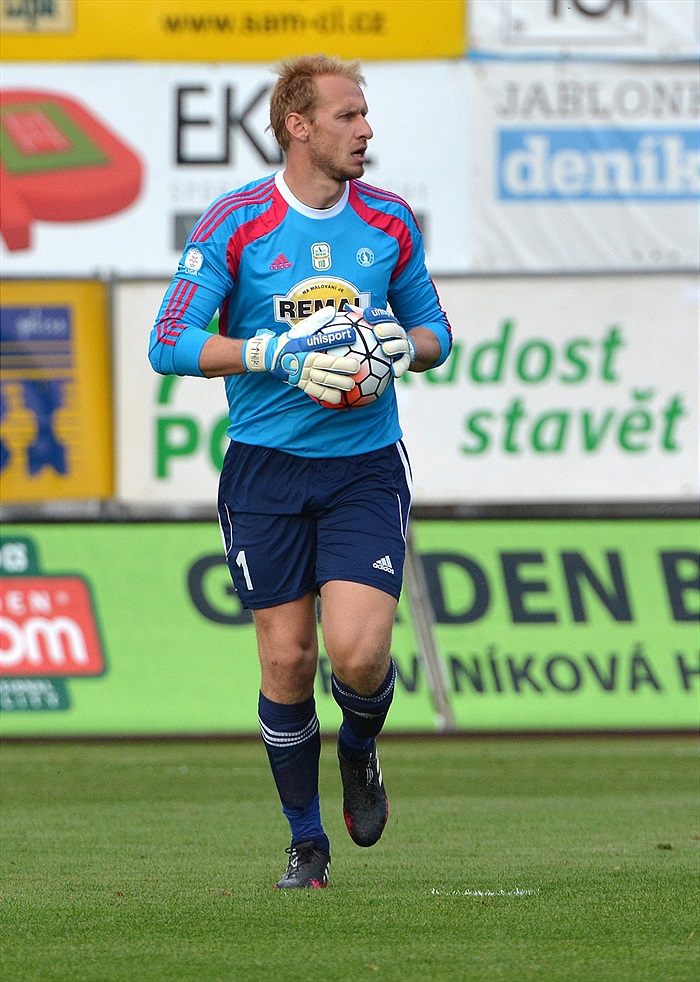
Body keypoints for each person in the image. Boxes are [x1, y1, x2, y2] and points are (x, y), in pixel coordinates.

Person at [149, 53, 452, 889]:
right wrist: (271, 352)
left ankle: (359, 751)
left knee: (357, 658)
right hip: (265, 471)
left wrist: (402, 346)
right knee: (285, 662)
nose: (367, 129)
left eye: (366, 114)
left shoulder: (388, 220)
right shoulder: (236, 222)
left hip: (362, 468)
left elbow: (436, 334)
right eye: (350, 115)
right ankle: (305, 843)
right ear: (299, 125)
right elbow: (167, 341)